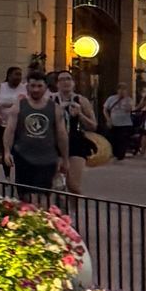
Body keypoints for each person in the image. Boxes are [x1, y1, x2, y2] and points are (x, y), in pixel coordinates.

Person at [3, 71, 66, 196]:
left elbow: (61, 134)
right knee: (23, 195)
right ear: (27, 87)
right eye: (32, 86)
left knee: (43, 196)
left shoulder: (55, 108)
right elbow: (10, 130)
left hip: (47, 159)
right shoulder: (19, 106)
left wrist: (64, 157)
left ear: (45, 87)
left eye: (39, 86)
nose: (36, 90)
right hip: (23, 157)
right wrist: (6, 151)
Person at [54, 69, 97, 197]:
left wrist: (80, 115)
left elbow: (93, 125)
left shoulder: (81, 101)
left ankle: (72, 213)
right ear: (57, 84)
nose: (65, 82)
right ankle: (55, 212)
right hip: (54, 142)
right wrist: (57, 112)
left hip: (76, 142)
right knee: (54, 184)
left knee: (73, 185)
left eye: (68, 79)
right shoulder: (51, 100)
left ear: (73, 83)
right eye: (62, 79)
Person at [103, 83, 139, 166]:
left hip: (125, 123)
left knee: (122, 139)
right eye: (120, 89)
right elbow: (105, 109)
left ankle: (120, 156)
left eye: (124, 89)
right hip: (114, 122)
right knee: (113, 139)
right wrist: (108, 119)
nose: (122, 91)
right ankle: (114, 154)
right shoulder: (111, 99)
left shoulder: (129, 99)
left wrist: (126, 101)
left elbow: (130, 109)